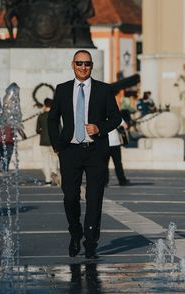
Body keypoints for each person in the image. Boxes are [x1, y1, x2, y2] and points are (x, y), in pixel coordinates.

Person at [48, 49, 122, 259]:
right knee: (70, 197)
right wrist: (57, 145)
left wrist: (99, 127)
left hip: (96, 152)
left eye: (87, 64)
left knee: (94, 198)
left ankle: (91, 241)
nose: (83, 67)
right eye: (79, 63)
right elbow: (52, 119)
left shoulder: (103, 90)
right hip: (70, 151)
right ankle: (75, 232)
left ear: (92, 66)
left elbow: (116, 118)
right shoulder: (62, 89)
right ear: (73, 65)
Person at [36, 98, 60, 186]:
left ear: (45, 105)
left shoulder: (41, 116)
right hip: (54, 142)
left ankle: (48, 180)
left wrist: (42, 131)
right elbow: (59, 129)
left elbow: (37, 130)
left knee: (45, 161)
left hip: (43, 142)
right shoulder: (56, 116)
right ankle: (55, 175)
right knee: (55, 159)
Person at [105, 120, 130, 187]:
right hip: (115, 143)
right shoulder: (115, 116)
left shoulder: (101, 115)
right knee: (118, 163)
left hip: (105, 144)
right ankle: (122, 180)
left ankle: (104, 182)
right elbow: (125, 126)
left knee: (104, 164)